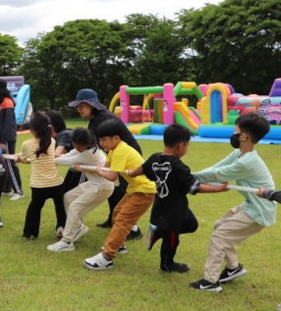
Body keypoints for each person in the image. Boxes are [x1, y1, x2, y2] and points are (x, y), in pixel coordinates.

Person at [189, 113, 276, 293]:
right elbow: (216, 168)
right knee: (219, 225)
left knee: (219, 237)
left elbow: (218, 175)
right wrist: (190, 176)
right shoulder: (239, 153)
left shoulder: (248, 162)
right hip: (252, 206)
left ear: (244, 136)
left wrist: (186, 176)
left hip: (259, 211)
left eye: (235, 131)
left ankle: (210, 282)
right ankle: (233, 268)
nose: (233, 134)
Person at [127, 124, 228, 273]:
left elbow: (142, 168)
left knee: (192, 224)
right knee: (172, 241)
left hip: (173, 208)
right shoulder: (178, 166)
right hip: (172, 214)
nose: (186, 149)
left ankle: (159, 232)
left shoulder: (154, 158)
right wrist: (218, 189)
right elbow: (195, 187)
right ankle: (167, 264)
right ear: (180, 146)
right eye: (187, 146)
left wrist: (131, 173)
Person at [69, 88, 143, 240]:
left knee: (121, 193)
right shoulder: (96, 118)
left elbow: (90, 145)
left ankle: (133, 230)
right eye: (78, 106)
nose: (79, 109)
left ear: (92, 105)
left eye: (82, 105)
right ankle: (112, 220)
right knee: (114, 191)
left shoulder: (101, 120)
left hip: (127, 157)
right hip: (116, 156)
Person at [83, 119, 156, 271]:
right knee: (117, 213)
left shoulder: (121, 151)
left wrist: (99, 171)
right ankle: (119, 245)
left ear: (116, 138)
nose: (101, 143)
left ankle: (107, 257)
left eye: (104, 140)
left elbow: (112, 176)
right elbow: (105, 167)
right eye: (99, 140)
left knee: (123, 220)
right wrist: (91, 168)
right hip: (135, 189)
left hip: (144, 190)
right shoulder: (113, 150)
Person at [47, 128, 114, 252]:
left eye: (78, 146)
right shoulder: (83, 149)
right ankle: (78, 228)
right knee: (68, 197)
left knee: (74, 207)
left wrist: (47, 160)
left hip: (102, 187)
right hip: (94, 184)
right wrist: (52, 157)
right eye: (74, 144)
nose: (76, 147)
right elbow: (69, 155)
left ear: (88, 143)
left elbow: (67, 161)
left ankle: (67, 242)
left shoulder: (89, 153)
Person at [16, 111, 66, 240]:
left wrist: (19, 159)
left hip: (39, 185)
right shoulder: (52, 142)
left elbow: (25, 159)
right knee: (60, 206)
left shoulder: (27, 144)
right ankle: (62, 227)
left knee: (34, 208)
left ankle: (29, 233)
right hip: (56, 182)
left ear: (32, 130)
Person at [0, 78, 23, 200]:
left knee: (10, 162)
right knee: (4, 163)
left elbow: (8, 124)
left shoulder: (7, 103)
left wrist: (3, 141)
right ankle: (7, 188)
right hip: (2, 137)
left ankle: (18, 191)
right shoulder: (2, 103)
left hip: (7, 138)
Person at [46, 110, 79, 192]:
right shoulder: (59, 136)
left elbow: (56, 154)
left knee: (69, 193)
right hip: (75, 166)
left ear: (52, 126)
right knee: (65, 192)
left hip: (84, 166)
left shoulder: (64, 134)